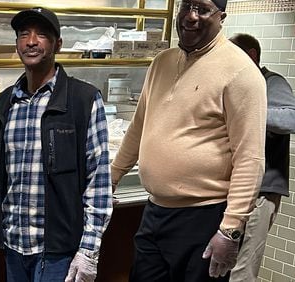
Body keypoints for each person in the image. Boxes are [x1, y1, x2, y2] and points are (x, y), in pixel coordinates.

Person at [111, 0, 267, 280]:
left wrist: (230, 229)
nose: (191, 16)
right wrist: (110, 177)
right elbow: (138, 128)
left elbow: (250, 158)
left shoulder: (241, 71)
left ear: (222, 17)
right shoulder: (162, 62)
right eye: (186, 6)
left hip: (205, 218)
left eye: (203, 9)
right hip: (155, 210)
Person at [0, 7, 113, 282]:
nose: (32, 41)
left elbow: (99, 182)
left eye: (42, 35)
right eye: (24, 34)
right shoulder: (4, 104)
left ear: (57, 43)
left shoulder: (83, 100)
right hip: (14, 247)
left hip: (59, 251)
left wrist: (88, 250)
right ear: (17, 44)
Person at [228, 33, 295, 281]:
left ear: (251, 55)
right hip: (233, 189)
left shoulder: (271, 82)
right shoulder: (235, 84)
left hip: (260, 193)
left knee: (242, 269)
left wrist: (248, 111)